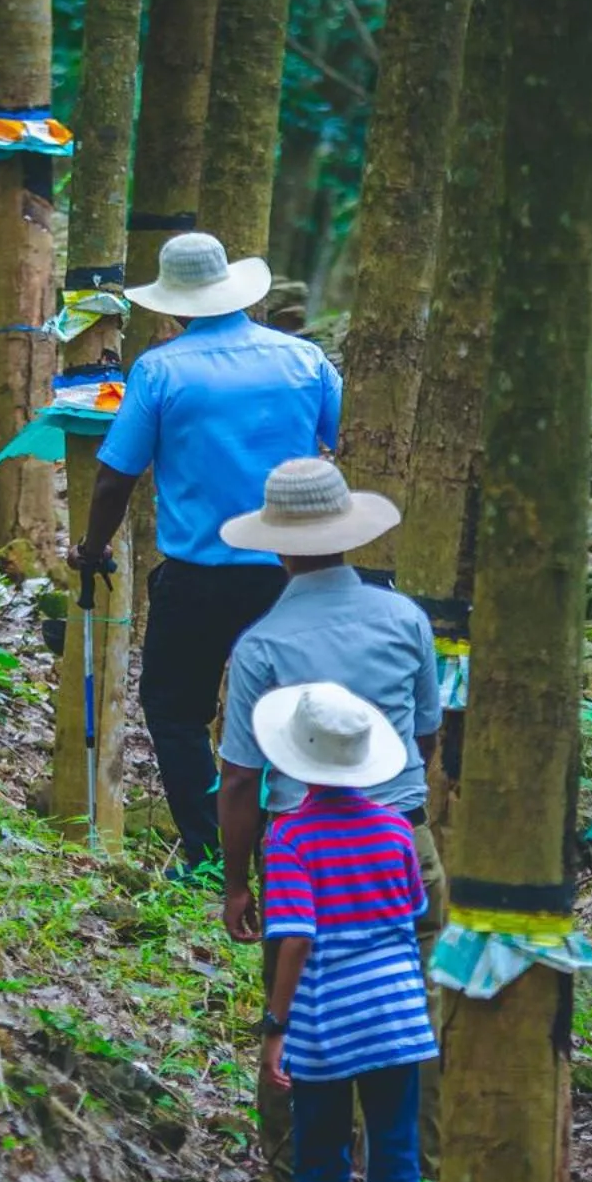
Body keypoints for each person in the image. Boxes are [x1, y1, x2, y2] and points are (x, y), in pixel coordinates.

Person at [71, 231, 343, 875]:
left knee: (175, 710)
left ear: (172, 305)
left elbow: (117, 474)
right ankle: (287, 852)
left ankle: (210, 854)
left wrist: (91, 547)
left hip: (197, 576)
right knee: (289, 713)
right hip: (292, 573)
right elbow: (342, 439)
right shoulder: (305, 361)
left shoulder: (161, 369)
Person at [212, 457, 445, 1170]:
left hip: (300, 846)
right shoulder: (406, 619)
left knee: (297, 999)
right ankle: (415, 1164)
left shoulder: (262, 646)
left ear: (277, 544)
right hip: (403, 835)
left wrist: (236, 881)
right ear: (349, 533)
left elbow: (239, 777)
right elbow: (427, 734)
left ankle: (297, 1160)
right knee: (418, 998)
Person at [251, 681, 437, 1182]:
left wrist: (277, 1028)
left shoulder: (291, 838)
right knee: (393, 1158)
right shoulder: (394, 829)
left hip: (328, 1022)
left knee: (323, 1159)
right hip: (397, 1019)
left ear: (296, 758)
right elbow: (412, 914)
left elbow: (295, 935)